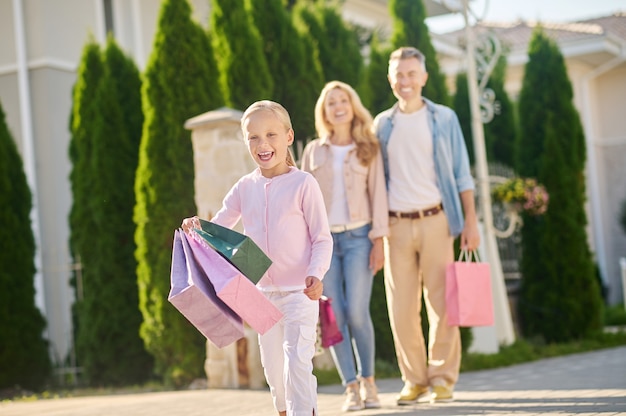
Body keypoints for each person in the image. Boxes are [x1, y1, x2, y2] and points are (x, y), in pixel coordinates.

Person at [182, 100, 333, 416]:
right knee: (274, 372)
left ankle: (304, 412)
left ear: (289, 136)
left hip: (299, 294)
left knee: (297, 361)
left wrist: (316, 275)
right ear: (245, 141)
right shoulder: (244, 187)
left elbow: (322, 238)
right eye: (253, 137)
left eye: (271, 135)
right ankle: (283, 410)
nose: (263, 144)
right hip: (261, 296)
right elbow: (220, 226)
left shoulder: (303, 183)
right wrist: (197, 227)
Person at [373, 46, 480, 405]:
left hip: (437, 220)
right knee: (401, 308)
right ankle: (414, 380)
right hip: (396, 226)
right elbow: (375, 182)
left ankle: (443, 378)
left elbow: (462, 173)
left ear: (423, 77)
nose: (405, 81)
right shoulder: (381, 125)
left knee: (443, 304)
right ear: (391, 79)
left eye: (411, 73)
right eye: (398, 74)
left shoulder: (444, 118)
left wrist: (471, 221)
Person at [301, 81, 389, 412]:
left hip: (358, 238)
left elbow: (379, 194)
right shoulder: (313, 151)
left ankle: (368, 381)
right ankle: (350, 387)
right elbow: (303, 201)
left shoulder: (368, 147)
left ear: (353, 107)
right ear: (323, 112)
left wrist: (378, 241)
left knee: (356, 312)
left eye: (343, 101)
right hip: (324, 243)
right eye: (331, 103)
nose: (338, 107)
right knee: (334, 318)